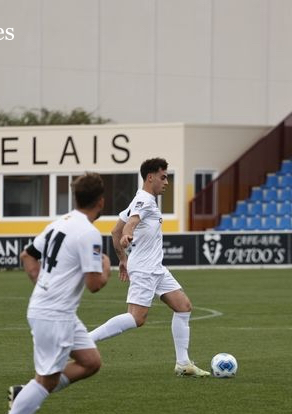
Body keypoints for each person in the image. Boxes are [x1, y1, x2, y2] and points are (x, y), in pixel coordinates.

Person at [0, 172, 111, 414]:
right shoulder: (89, 233)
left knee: (90, 362)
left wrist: (41, 283)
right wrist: (106, 266)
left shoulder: (62, 222)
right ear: (101, 201)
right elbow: (94, 284)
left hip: (56, 310)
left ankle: (25, 394)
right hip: (54, 314)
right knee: (47, 380)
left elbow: (28, 255)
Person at [88, 157, 210, 377]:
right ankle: (84, 342)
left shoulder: (140, 199)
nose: (166, 182)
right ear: (150, 177)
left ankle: (183, 364)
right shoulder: (145, 200)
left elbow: (116, 231)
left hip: (156, 268)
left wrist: (123, 259)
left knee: (183, 306)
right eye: (163, 177)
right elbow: (130, 225)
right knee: (136, 318)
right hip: (145, 268)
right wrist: (128, 236)